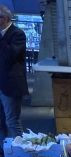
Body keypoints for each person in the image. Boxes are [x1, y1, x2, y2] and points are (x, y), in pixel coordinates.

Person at [0, 5, 28, 143]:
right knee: (1, 121)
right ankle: (4, 153)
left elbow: (10, 56)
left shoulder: (18, 34)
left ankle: (20, 153)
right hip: (1, 84)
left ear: (4, 18)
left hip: (11, 87)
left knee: (12, 121)